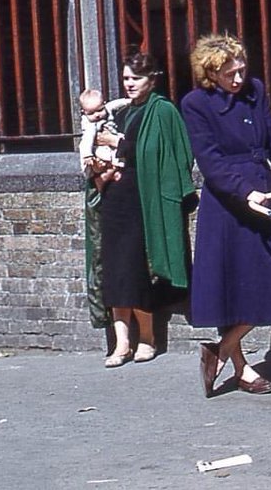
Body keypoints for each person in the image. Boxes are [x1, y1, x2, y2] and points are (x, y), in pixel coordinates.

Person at [181, 33, 271, 396]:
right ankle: (241, 367)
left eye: (241, 71)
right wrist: (245, 192)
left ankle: (219, 351)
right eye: (229, 75)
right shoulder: (195, 104)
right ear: (211, 75)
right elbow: (211, 161)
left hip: (266, 193)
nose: (238, 80)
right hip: (229, 204)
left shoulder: (255, 91)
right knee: (238, 288)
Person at [85, 51, 195, 368]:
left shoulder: (161, 111)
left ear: (152, 79)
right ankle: (121, 344)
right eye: (126, 79)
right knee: (114, 271)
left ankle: (147, 338)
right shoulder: (117, 113)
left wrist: (117, 145)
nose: (130, 84)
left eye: (136, 78)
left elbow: (162, 152)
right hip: (114, 200)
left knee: (137, 270)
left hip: (142, 200)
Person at [78, 88, 132, 193]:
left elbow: (116, 104)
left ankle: (114, 171)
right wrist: (87, 154)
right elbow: (87, 139)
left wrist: (128, 101)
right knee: (106, 157)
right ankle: (103, 176)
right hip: (99, 148)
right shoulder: (90, 125)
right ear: (84, 112)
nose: (97, 115)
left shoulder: (107, 108)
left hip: (111, 141)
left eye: (100, 110)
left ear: (104, 104)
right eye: (91, 113)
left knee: (121, 148)